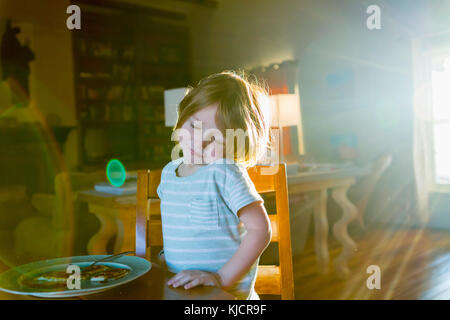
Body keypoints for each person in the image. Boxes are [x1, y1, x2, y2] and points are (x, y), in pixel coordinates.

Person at [156, 71, 274, 300]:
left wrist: (220, 278)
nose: (199, 142)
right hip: (182, 292)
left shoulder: (225, 172)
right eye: (194, 126)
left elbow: (261, 230)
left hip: (223, 295)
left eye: (215, 139)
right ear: (183, 115)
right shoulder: (168, 173)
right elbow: (182, 227)